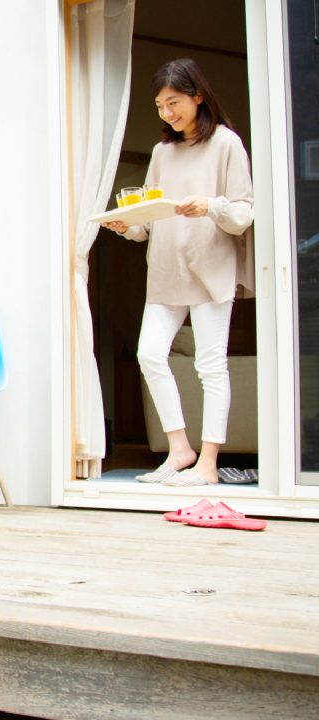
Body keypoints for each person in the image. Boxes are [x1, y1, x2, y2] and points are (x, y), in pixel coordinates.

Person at [102, 58, 254, 487]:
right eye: (159, 106)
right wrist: (126, 225)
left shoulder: (226, 143)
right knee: (149, 354)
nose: (167, 113)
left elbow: (243, 212)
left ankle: (207, 464)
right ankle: (179, 448)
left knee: (211, 367)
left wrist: (210, 205)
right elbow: (148, 221)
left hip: (209, 270)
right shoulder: (161, 152)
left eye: (174, 102)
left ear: (198, 96)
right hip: (166, 271)